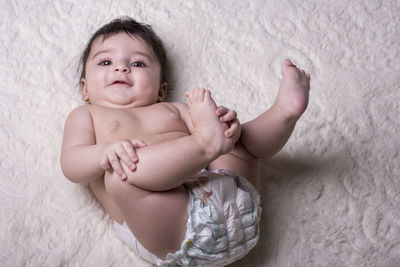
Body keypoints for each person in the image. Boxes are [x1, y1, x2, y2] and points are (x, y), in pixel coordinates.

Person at [60, 17, 310, 266]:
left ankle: (283, 113)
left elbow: (224, 139)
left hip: (234, 204)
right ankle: (206, 144)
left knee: (238, 142)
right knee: (122, 171)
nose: (122, 68)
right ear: (85, 88)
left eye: (138, 63)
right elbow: (71, 164)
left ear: (160, 90)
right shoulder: (87, 115)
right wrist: (104, 152)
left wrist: (228, 129)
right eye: (105, 61)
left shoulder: (176, 109)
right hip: (172, 228)